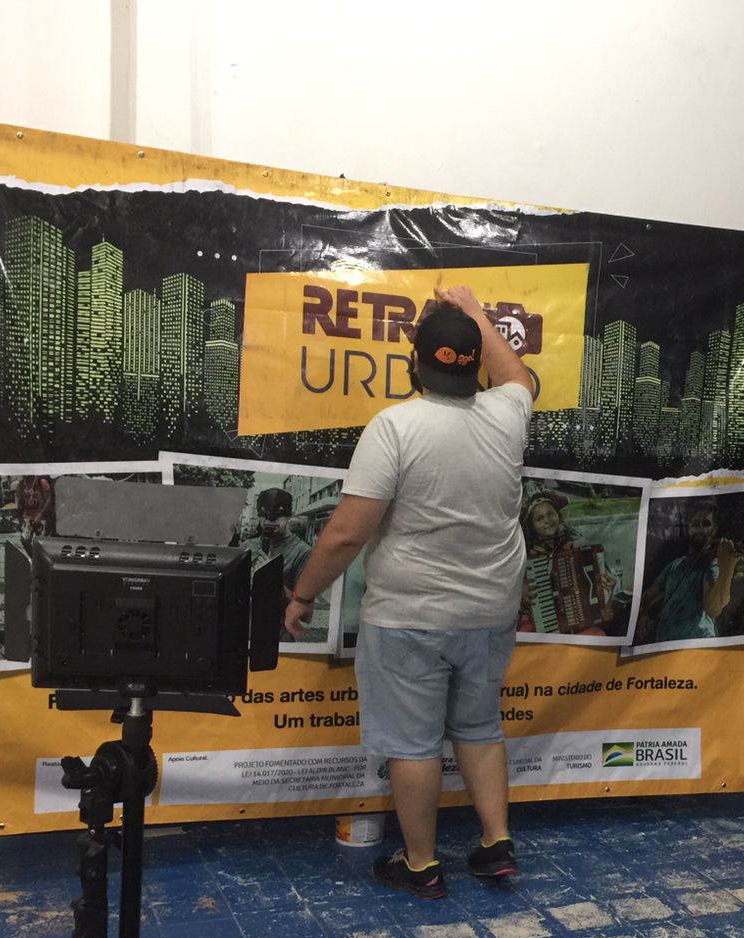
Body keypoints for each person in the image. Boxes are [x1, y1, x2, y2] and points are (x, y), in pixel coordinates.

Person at [285, 284, 533, 898]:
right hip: (490, 611)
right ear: (475, 366)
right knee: (479, 728)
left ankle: (421, 864)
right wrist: (473, 311)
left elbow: (346, 534)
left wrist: (303, 594)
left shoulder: (395, 426)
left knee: (414, 745)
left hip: (410, 617)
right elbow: (516, 373)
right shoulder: (508, 412)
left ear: (413, 364)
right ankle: (496, 844)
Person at [517, 487, 619, 636]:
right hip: (536, 620)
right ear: (531, 527)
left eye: (550, 514)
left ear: (558, 516)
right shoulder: (522, 554)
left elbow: (599, 591)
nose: (547, 520)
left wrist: (609, 586)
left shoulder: (576, 548)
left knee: (597, 636)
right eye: (539, 519)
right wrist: (520, 590)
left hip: (577, 621)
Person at [636, 498, 738, 644]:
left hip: (698, 644)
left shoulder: (713, 564)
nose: (701, 529)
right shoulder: (675, 565)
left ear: (714, 529)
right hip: (665, 644)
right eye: (696, 524)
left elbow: (713, 609)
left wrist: (727, 568)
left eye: (706, 524)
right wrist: (643, 615)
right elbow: (648, 596)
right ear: (689, 527)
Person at [239, 487, 313, 640]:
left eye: (275, 518)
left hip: (278, 635)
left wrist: (273, 579)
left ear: (289, 516)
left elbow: (306, 614)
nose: (268, 522)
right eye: (264, 517)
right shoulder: (248, 545)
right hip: (246, 631)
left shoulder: (303, 552)